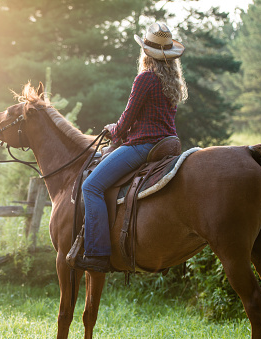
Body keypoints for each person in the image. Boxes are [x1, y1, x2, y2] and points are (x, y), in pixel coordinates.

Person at [72, 22, 188, 272]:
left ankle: (97, 253)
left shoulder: (145, 78)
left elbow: (125, 123)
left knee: (90, 186)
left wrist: (111, 129)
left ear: (146, 52)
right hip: (168, 145)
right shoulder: (172, 81)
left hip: (143, 146)